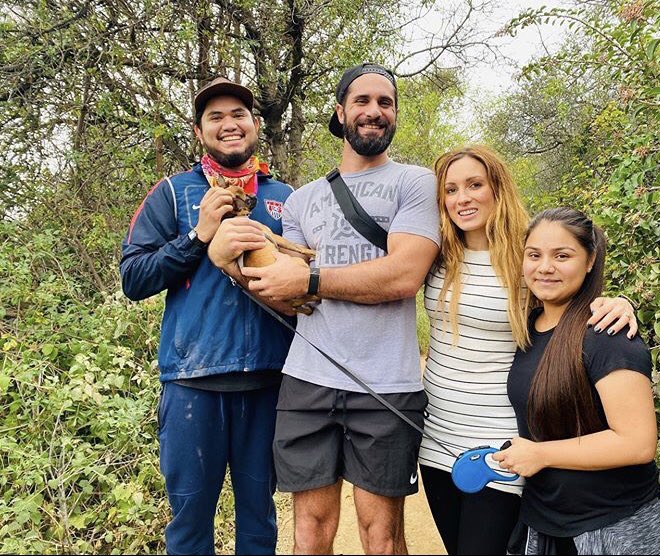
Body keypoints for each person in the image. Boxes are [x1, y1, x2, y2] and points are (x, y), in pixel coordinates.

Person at [209, 63, 440, 554]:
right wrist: (228, 262)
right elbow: (283, 291)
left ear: (394, 114)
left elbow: (403, 276)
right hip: (308, 381)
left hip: (388, 384)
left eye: (385, 102)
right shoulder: (302, 200)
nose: (374, 111)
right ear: (341, 112)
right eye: (362, 101)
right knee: (310, 532)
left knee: (381, 535)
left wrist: (312, 277)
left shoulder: (417, 183)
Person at [418, 147, 638, 555]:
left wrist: (618, 302)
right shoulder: (436, 253)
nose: (462, 198)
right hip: (435, 438)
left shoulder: (525, 256)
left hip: (498, 442)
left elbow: (570, 294)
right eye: (450, 189)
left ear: (497, 188)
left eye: (474, 185)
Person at [120, 77, 297, 555]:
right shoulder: (173, 194)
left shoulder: (286, 197)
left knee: (259, 520)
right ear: (200, 132)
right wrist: (198, 236)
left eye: (238, 115)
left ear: (255, 125)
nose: (229, 124)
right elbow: (134, 278)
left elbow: (310, 281)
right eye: (215, 117)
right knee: (190, 522)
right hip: (190, 386)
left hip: (268, 383)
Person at [494, 207, 660, 555]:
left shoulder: (607, 335)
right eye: (534, 255)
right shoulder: (530, 329)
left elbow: (638, 443)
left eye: (562, 255)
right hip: (545, 522)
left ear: (590, 259)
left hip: (617, 528)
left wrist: (540, 454)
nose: (545, 267)